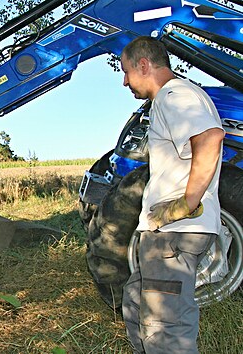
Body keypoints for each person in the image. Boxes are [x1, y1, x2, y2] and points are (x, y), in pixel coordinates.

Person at [119, 36, 224, 353]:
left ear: (143, 65)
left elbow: (210, 137)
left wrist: (186, 203)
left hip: (174, 233)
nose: (125, 82)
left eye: (126, 72)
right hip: (166, 234)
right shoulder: (181, 96)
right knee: (136, 302)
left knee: (165, 328)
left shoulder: (174, 95)